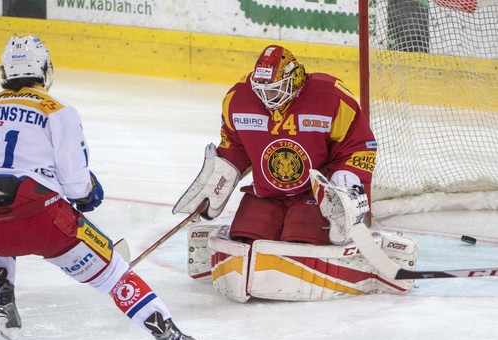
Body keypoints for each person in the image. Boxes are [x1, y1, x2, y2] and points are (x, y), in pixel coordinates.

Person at [0, 35, 197, 340]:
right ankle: (172, 337)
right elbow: (76, 185)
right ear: (45, 69)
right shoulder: (57, 111)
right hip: (45, 228)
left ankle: (1, 295)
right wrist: (87, 195)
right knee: (114, 275)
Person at [173, 45, 417, 302]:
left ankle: (354, 254)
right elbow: (235, 145)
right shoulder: (237, 100)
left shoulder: (331, 97)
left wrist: (343, 188)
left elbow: (357, 146)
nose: (269, 97)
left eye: (276, 89)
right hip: (267, 194)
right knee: (245, 237)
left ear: (296, 78)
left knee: (303, 242)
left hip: (315, 197)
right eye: (264, 90)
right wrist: (219, 178)